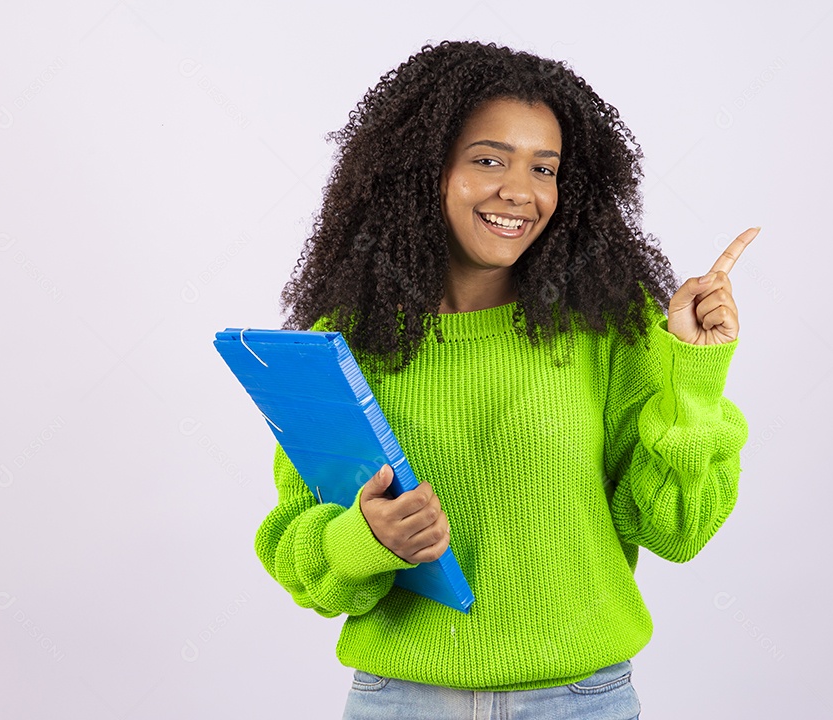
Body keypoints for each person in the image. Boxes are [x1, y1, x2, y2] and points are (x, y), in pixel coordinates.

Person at [254, 39, 757, 720]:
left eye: (543, 168)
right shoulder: (344, 339)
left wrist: (693, 375)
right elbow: (298, 550)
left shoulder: (609, 326)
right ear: (422, 171)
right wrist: (366, 540)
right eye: (488, 159)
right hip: (401, 702)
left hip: (581, 701)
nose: (519, 191)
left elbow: (676, 529)